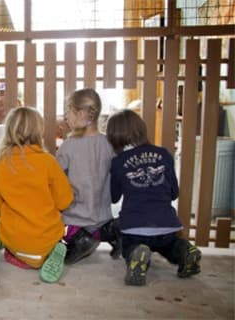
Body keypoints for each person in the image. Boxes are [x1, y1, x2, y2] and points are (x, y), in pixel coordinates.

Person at [106, 109, 202, 286]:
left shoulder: (118, 162)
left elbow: (114, 197)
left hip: (135, 226)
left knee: (129, 245)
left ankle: (137, 252)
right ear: (141, 129)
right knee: (170, 246)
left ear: (113, 137)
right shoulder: (164, 154)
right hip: (166, 224)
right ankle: (184, 251)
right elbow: (174, 192)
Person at [0, 107, 74, 283]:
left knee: (7, 237)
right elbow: (65, 201)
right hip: (46, 235)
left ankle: (15, 251)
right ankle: (50, 252)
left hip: (14, 236)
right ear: (38, 131)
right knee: (53, 231)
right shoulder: (48, 161)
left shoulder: (2, 163)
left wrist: (0, 218)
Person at [55, 88, 121, 264]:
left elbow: (55, 178)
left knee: (54, 232)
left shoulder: (68, 146)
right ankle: (109, 231)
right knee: (98, 226)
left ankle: (80, 239)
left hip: (75, 217)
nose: (65, 116)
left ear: (80, 113)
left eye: (67, 111)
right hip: (102, 216)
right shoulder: (108, 143)